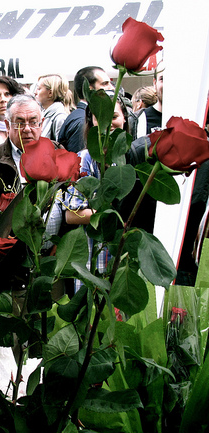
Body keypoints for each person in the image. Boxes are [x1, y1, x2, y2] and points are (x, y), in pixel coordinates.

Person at [0, 95, 61, 252]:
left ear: (42, 123)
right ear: (7, 125)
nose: (27, 129)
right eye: (19, 123)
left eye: (33, 122)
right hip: (8, 254)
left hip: (52, 252)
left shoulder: (58, 153)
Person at [64, 95, 129, 290]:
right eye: (100, 118)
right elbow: (71, 215)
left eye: (114, 116)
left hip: (124, 260)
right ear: (91, 123)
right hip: (92, 260)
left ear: (125, 118)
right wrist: (112, 216)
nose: (108, 124)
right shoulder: (85, 159)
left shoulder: (131, 158)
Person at [58, 66, 112, 153]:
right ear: (89, 88)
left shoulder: (83, 116)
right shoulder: (82, 121)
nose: (112, 87)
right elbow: (79, 161)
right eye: (105, 84)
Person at [35, 74, 74, 141]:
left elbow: (60, 148)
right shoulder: (44, 113)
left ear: (50, 93)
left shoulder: (60, 117)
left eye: (39, 89)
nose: (35, 92)